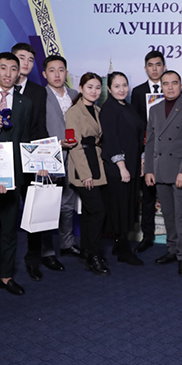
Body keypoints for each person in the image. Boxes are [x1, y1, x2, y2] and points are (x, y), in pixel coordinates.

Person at [0, 52, 34, 295]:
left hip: (12, 174)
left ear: (18, 72)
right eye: (3, 68)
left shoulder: (25, 103)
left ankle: (6, 275)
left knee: (9, 228)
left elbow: (25, 140)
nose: (8, 73)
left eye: (13, 69)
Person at [144, 70, 182, 276]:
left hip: (181, 171)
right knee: (168, 214)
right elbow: (150, 141)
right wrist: (149, 169)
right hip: (160, 169)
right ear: (161, 86)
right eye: (166, 83)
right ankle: (172, 249)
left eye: (174, 83)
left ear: (180, 86)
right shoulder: (155, 109)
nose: (170, 87)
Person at [10, 43, 53, 280]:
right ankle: (1, 261)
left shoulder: (38, 91)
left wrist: (42, 160)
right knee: (5, 214)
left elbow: (40, 127)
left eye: (29, 59)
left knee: (33, 212)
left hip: (30, 160)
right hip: (5, 160)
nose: (25, 63)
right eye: (21, 58)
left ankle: (33, 260)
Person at [65, 72, 109, 275]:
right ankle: (94, 255)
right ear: (81, 88)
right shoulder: (74, 112)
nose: (94, 91)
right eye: (90, 87)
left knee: (91, 212)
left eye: (98, 87)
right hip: (82, 166)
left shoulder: (98, 110)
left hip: (96, 162)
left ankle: (86, 251)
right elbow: (74, 146)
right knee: (98, 211)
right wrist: (85, 175)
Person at [100, 71, 145, 266]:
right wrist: (122, 167)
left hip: (132, 165)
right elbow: (111, 140)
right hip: (118, 168)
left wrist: (141, 161)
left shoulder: (129, 107)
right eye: (117, 86)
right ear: (109, 89)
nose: (122, 89)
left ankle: (120, 244)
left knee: (128, 205)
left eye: (124, 85)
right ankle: (124, 249)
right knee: (120, 207)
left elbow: (138, 136)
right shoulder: (108, 109)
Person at [43, 54, 80, 261]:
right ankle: (47, 251)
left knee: (68, 204)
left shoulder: (75, 95)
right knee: (48, 205)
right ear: (44, 74)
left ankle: (67, 244)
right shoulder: (40, 96)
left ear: (66, 72)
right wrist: (57, 144)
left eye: (61, 70)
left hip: (73, 156)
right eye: (52, 70)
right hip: (51, 156)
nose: (57, 74)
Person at [130, 50, 166, 254]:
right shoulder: (137, 92)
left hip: (168, 151)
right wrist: (142, 154)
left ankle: (175, 238)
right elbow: (136, 124)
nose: (154, 69)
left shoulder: (171, 87)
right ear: (145, 68)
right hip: (147, 151)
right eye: (150, 65)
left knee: (170, 195)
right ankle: (148, 236)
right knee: (148, 196)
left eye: (158, 64)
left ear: (164, 67)